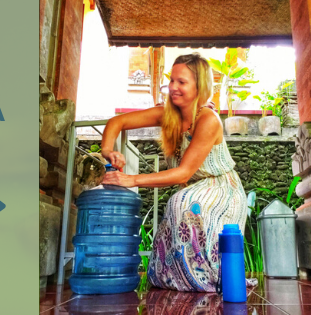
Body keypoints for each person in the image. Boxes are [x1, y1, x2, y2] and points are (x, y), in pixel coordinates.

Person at [100, 53, 247, 292]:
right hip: (191, 190)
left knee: (181, 202)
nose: (173, 87)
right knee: (178, 205)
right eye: (172, 81)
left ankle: (208, 277)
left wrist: (131, 180)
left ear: (200, 86)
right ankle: (178, 277)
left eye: (182, 82)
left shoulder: (208, 120)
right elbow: (117, 122)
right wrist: (109, 151)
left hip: (221, 189)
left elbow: (183, 174)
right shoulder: (166, 114)